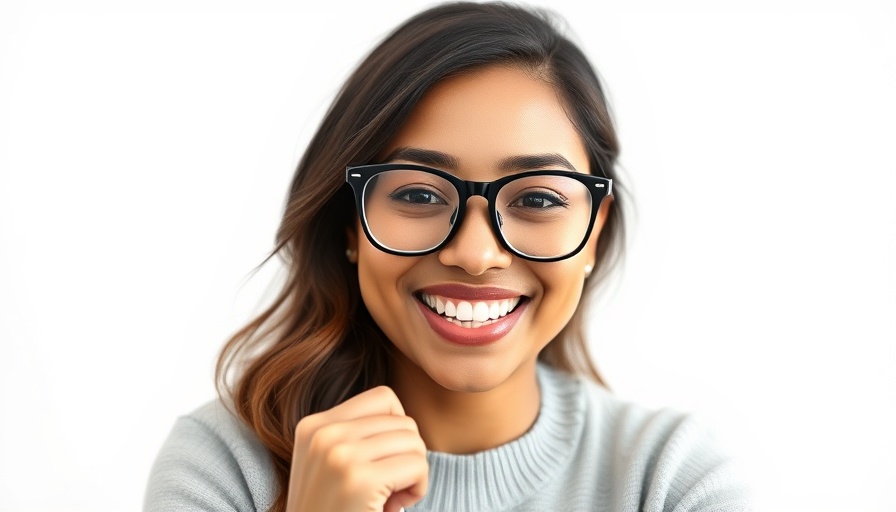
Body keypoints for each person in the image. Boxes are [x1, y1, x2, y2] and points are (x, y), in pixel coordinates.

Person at [144, 2, 753, 511]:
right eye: (417, 193)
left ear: (593, 232)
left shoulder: (673, 480)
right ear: (351, 223)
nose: (476, 253)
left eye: (538, 198)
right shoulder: (222, 469)